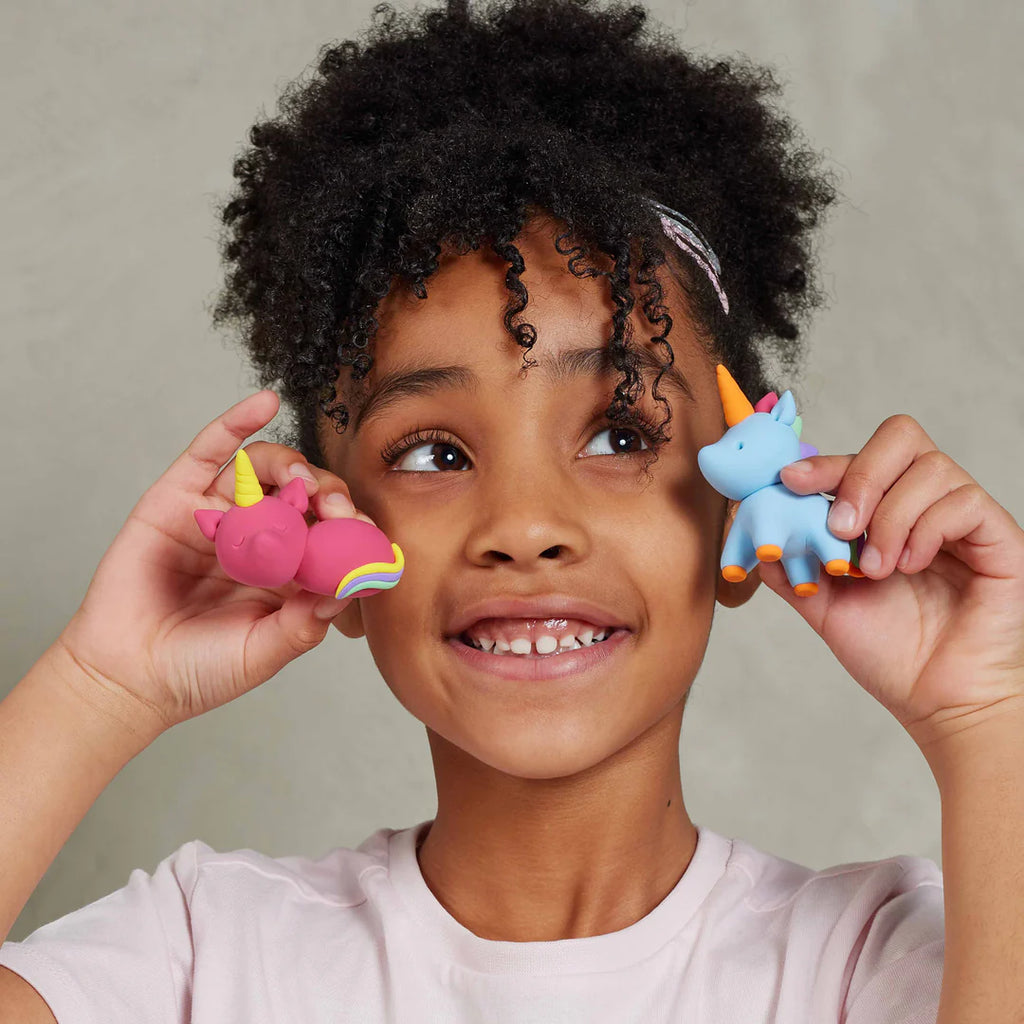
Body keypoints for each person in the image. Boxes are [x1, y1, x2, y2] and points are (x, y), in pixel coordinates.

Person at [3, 0, 1024, 1021]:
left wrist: (990, 716)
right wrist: (99, 687)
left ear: (733, 510)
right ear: (338, 537)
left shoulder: (885, 964)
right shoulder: (203, 953)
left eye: (620, 436)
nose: (524, 522)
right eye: (435, 453)